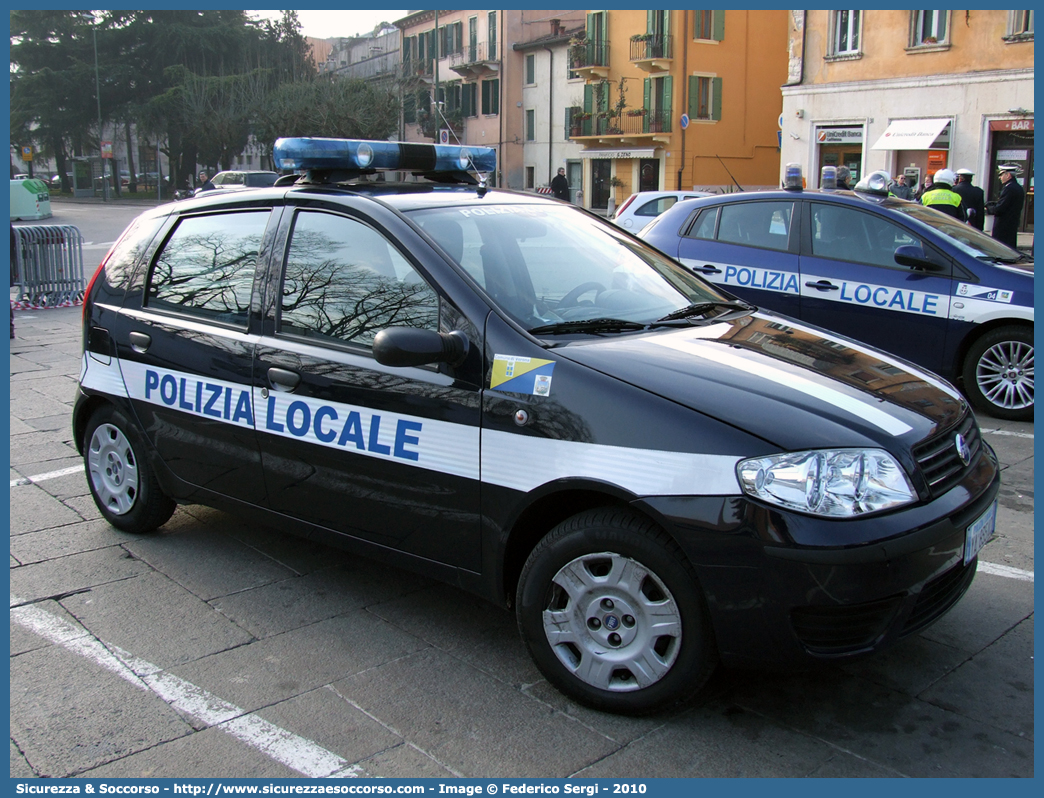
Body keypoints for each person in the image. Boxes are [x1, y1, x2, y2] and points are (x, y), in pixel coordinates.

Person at [988, 164, 1025, 249]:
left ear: (1008, 175)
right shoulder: (1018, 187)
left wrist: (990, 208)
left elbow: (1000, 208)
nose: (999, 177)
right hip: (1012, 223)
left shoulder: (1009, 188)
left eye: (1001, 174)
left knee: (1000, 249)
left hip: (1004, 226)